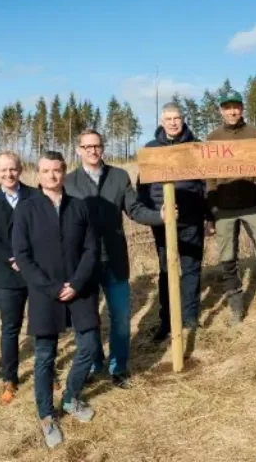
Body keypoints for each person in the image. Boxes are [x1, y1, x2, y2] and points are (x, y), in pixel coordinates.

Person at [12, 151, 100, 449]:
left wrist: (76, 284)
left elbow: (91, 249)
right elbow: (22, 257)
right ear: (38, 174)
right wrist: (51, 287)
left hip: (79, 289)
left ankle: (71, 397)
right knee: (45, 357)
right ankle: (46, 416)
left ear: (65, 172)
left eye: (57, 170)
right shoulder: (26, 209)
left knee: (88, 345)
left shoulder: (79, 207)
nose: (52, 175)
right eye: (46, 170)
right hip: (44, 293)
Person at [65, 130, 164, 389]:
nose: (92, 151)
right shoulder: (68, 182)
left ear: (103, 148)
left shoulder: (119, 176)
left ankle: (118, 367)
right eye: (86, 147)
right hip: (83, 264)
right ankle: (93, 363)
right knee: (88, 320)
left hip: (115, 260)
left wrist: (160, 216)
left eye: (96, 146)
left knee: (120, 317)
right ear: (78, 150)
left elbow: (135, 209)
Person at [205, 89, 256, 327]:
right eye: (227, 108)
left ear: (242, 109)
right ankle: (236, 303)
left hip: (252, 205)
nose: (232, 111)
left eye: (236, 106)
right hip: (224, 208)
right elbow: (209, 176)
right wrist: (213, 207)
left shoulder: (255, 134)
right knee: (228, 258)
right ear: (221, 111)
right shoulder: (213, 138)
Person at [137, 102, 209, 342]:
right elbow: (142, 187)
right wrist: (152, 214)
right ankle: (166, 321)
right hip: (163, 221)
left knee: (191, 269)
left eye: (177, 118)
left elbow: (205, 185)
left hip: (191, 219)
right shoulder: (151, 149)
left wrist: (209, 216)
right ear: (161, 121)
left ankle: (189, 318)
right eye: (168, 119)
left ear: (183, 119)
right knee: (167, 271)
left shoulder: (195, 147)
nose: (173, 122)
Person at [0, 151, 36, 405]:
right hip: (7, 275)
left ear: (20, 169)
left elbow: (44, 231)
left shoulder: (36, 196)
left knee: (42, 325)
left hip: (36, 273)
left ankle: (47, 370)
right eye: (3, 170)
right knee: (10, 329)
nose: (8, 174)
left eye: (12, 169)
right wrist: (12, 259)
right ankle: (9, 378)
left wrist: (30, 259)